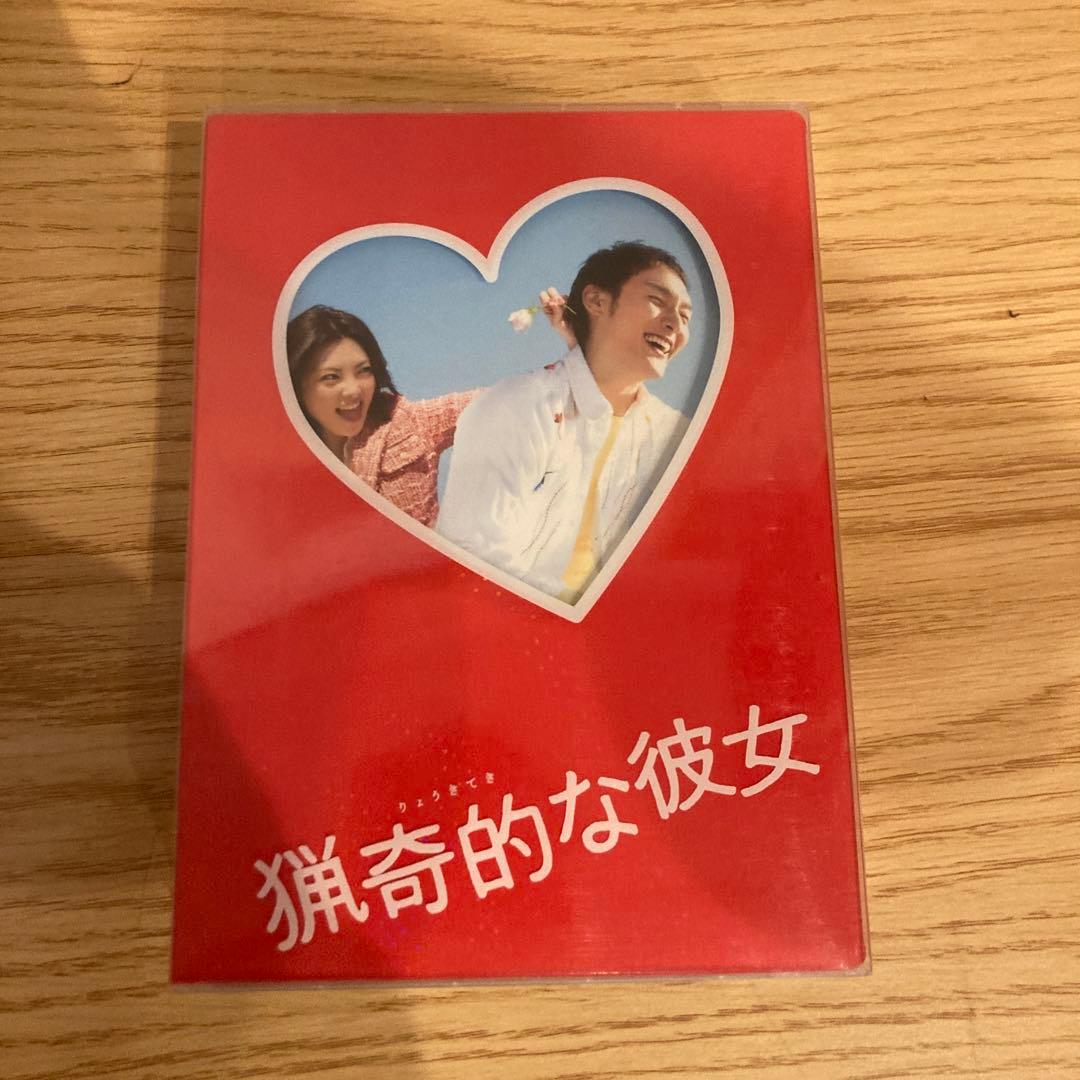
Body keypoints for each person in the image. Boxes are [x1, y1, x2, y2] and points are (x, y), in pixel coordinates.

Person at [437, 242, 693, 603]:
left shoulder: (678, 436)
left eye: (685, 316)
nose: (674, 324)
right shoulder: (519, 406)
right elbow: (474, 555)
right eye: (657, 300)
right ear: (597, 301)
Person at [287, 305, 479, 528]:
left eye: (364, 371)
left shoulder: (406, 423)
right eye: (331, 377)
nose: (353, 390)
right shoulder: (283, 465)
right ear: (296, 386)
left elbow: (496, 401)